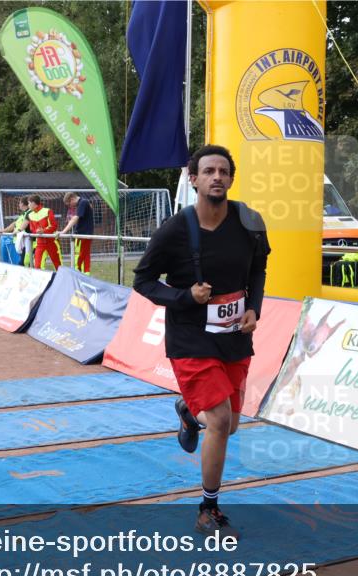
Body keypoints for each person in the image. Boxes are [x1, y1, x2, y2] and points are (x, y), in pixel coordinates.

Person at [133, 145, 270, 538]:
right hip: (191, 338)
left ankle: (189, 412)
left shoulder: (249, 222)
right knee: (222, 420)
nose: (217, 177)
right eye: (208, 171)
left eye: (223, 171)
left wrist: (254, 310)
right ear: (193, 179)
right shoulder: (175, 229)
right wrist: (183, 297)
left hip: (233, 338)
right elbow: (142, 280)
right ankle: (208, 509)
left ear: (231, 178)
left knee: (230, 427)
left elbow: (259, 269)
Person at [60, 192, 94, 274]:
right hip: (81, 235)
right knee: (82, 256)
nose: (70, 206)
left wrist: (63, 231)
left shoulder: (83, 202)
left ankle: (81, 275)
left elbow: (76, 218)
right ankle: (82, 274)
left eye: (69, 204)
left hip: (84, 235)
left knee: (81, 257)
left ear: (72, 199)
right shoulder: (82, 203)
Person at [27, 194, 62, 270]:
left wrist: (43, 231)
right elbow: (32, 229)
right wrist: (37, 232)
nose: (28, 205)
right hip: (39, 243)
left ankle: (64, 280)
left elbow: (54, 226)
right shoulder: (30, 215)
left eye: (29, 203)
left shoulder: (47, 211)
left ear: (34, 203)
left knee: (58, 265)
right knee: (37, 266)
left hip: (51, 242)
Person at [2, 197, 33, 266]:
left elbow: (25, 224)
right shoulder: (24, 214)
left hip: (29, 242)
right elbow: (15, 224)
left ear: (22, 204)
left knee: (24, 262)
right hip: (21, 242)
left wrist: (18, 231)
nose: (18, 205)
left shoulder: (29, 213)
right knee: (23, 262)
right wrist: (3, 230)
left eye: (19, 203)